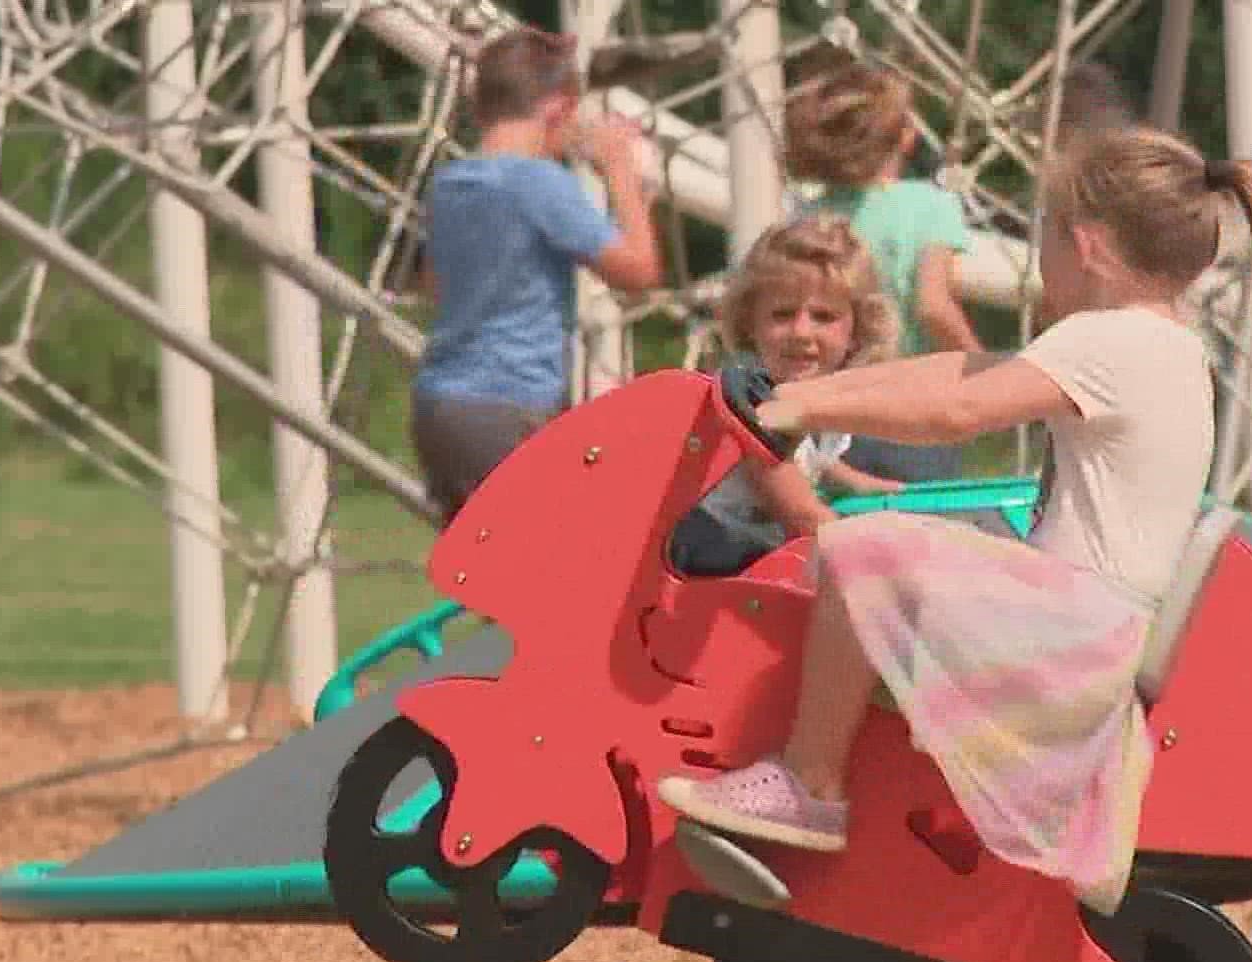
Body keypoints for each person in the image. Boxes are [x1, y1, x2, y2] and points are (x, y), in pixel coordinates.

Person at [656, 126, 1252, 918]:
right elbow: (961, 372)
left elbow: (958, 409)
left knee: (863, 550)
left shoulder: (1112, 340)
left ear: (1086, 246)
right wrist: (815, 400)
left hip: (1072, 628)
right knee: (887, 562)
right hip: (1088, 623)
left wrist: (804, 401)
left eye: (1045, 243)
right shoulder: (1159, 343)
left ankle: (809, 784)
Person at [412, 26, 661, 523]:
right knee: (552, 585)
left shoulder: (450, 183)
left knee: (495, 584)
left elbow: (432, 285)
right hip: (509, 405)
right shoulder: (540, 183)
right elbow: (639, 270)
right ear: (558, 108)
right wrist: (620, 173)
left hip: (440, 406)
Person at [779, 61, 986, 487]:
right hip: (912, 407)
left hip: (834, 409)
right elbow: (932, 307)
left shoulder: (807, 216)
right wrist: (986, 369)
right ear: (905, 137)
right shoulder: (931, 206)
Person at [671, 215, 905, 576]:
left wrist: (863, 486)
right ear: (751, 322)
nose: (801, 332)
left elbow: (812, 458)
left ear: (857, 329)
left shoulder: (827, 399)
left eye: (823, 317)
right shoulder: (751, 398)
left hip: (756, 537)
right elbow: (796, 507)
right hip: (711, 553)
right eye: (782, 315)